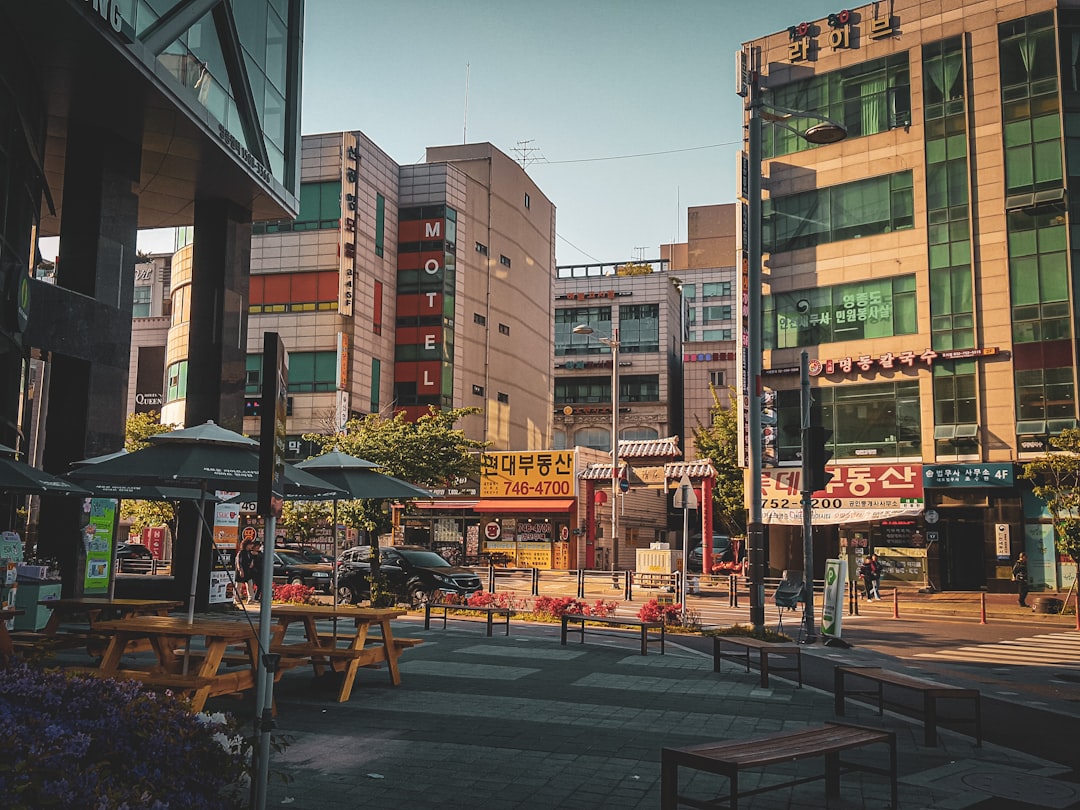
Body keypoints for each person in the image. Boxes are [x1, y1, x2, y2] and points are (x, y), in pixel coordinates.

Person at [234, 539, 255, 605]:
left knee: (250, 585)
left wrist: (252, 562)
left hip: (248, 571)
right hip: (242, 570)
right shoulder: (241, 552)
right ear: (247, 545)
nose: (251, 546)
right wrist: (240, 570)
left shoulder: (249, 552)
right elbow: (239, 562)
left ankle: (251, 599)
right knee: (238, 586)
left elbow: (251, 559)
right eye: (250, 545)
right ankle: (236, 598)